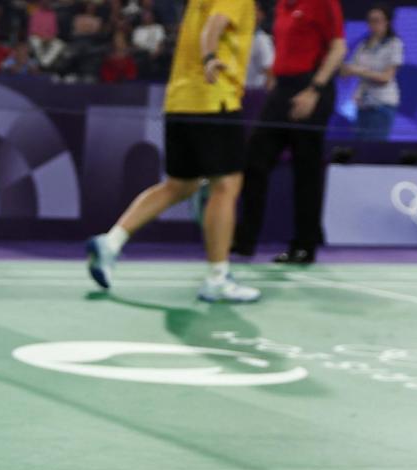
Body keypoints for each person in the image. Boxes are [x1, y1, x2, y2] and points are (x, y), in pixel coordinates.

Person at [85, 0, 260, 303]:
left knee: (180, 185)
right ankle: (218, 277)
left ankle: (111, 242)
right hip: (213, 98)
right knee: (226, 186)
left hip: (179, 101)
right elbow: (213, 28)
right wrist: (209, 57)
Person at [232, 0, 346, 265]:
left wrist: (314, 90)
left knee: (306, 169)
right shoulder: (282, 5)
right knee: (254, 162)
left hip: (312, 86)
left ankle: (304, 246)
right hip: (282, 89)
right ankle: (244, 241)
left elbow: (338, 47)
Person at [342, 4, 403, 142]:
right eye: (370, 20)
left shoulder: (394, 44)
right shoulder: (363, 45)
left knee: (374, 148)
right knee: (359, 147)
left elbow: (386, 77)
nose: (373, 25)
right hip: (362, 104)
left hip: (382, 104)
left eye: (377, 20)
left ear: (387, 22)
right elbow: (349, 70)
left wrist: (359, 71)